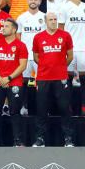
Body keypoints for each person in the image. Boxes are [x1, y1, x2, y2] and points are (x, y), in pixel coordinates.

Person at [31, 12, 75, 147]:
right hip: (43, 78)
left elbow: (70, 56)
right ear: (45, 21)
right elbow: (36, 57)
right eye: (51, 19)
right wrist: (46, 66)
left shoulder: (65, 35)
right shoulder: (38, 37)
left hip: (61, 78)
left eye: (55, 19)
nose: (53, 22)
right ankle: (40, 138)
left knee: (64, 108)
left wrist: (60, 67)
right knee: (42, 109)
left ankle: (68, 138)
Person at [0, 17, 29, 147]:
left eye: (6, 26)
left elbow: (23, 66)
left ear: (14, 29)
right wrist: (0, 78)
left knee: (15, 112)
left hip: (15, 83)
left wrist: (9, 78)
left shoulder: (21, 46)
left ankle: (18, 140)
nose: (3, 28)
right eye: (3, 26)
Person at [61, 0, 85, 112]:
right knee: (67, 79)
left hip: (83, 50)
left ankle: (84, 107)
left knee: (84, 79)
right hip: (70, 50)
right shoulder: (64, 8)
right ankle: (68, 108)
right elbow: (61, 30)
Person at [16, 0, 46, 84]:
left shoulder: (44, 17)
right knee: (24, 82)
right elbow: (18, 37)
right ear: (27, 1)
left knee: (42, 82)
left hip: (40, 56)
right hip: (25, 56)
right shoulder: (21, 17)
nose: (33, 1)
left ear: (39, 1)